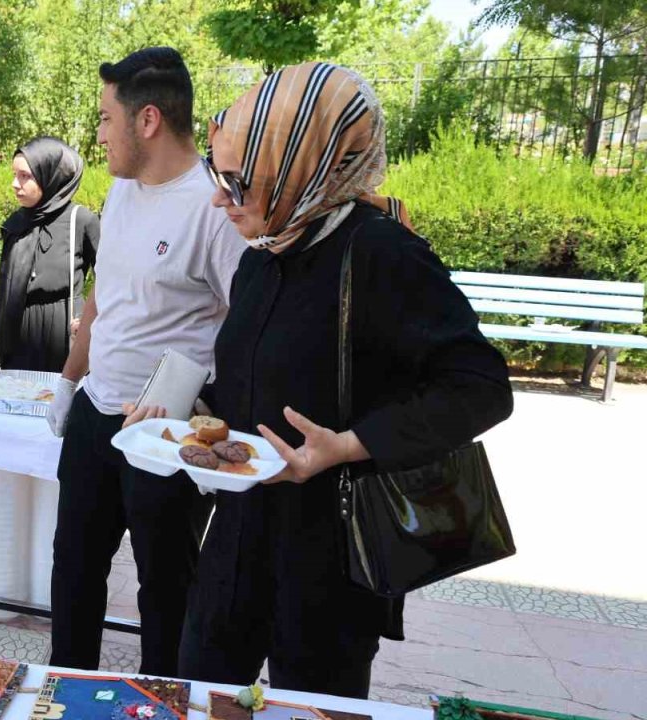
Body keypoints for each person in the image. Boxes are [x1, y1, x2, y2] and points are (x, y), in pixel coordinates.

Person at [148, 61, 513, 697]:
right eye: (218, 177)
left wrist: (348, 444)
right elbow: (250, 383)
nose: (218, 200)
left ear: (305, 168)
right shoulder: (263, 254)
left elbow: (480, 385)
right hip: (237, 536)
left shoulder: (379, 254)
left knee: (314, 705)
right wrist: (179, 414)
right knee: (202, 695)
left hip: (329, 553)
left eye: (239, 183)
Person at [44, 47, 247, 677]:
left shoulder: (214, 211)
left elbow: (245, 330)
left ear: (148, 120)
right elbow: (102, 297)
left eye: (107, 118)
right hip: (97, 414)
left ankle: (165, 696)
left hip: (163, 431)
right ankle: (65, 688)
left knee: (166, 587)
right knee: (73, 568)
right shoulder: (123, 192)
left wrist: (205, 411)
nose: (99, 134)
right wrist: (69, 380)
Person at [0, 136, 99, 372]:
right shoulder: (16, 223)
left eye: (25, 176)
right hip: (19, 336)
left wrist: (91, 319)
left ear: (50, 176)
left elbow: (112, 280)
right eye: (14, 174)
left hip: (62, 335)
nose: (15, 184)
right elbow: (5, 288)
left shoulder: (81, 220)